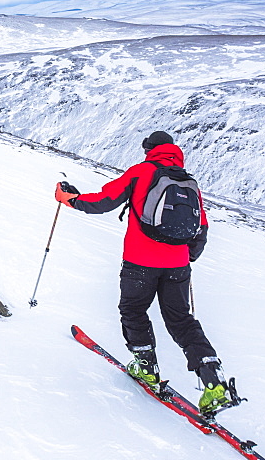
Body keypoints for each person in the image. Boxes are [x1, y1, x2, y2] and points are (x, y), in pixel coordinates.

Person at [54, 130, 234, 415]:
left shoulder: (141, 172)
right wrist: (185, 257)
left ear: (149, 149)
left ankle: (146, 367)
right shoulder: (189, 182)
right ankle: (214, 380)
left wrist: (71, 199)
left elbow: (104, 200)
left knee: (134, 310)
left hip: (140, 263)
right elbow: (202, 228)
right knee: (182, 321)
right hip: (177, 266)